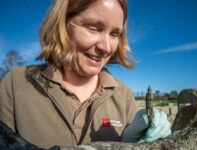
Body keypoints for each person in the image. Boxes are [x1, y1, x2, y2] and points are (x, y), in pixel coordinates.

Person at [0, 0, 171, 149]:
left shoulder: (123, 94)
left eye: (114, 34)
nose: (106, 47)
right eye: (94, 28)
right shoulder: (16, 84)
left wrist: (136, 142)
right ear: (63, 24)